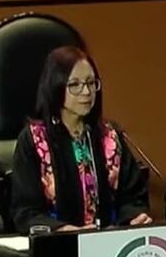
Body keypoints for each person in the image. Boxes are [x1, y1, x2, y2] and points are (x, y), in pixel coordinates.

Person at [11, 46, 151, 233]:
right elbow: (25, 212)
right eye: (75, 85)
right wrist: (64, 230)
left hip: (107, 245)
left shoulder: (110, 137)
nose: (86, 92)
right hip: (58, 247)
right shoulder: (34, 140)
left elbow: (133, 198)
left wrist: (135, 217)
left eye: (91, 83)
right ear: (56, 87)